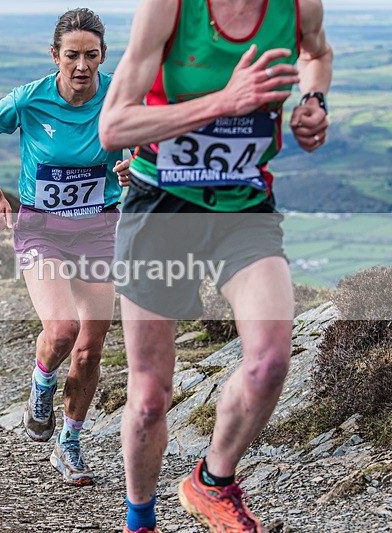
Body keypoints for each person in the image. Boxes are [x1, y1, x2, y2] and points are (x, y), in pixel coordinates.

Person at [98, 0, 332, 531]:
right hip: (161, 208)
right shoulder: (168, 8)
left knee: (270, 360)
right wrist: (224, 102)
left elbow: (318, 54)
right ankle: (140, 520)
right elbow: (114, 128)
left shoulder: (298, 7)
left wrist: (314, 102)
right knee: (150, 397)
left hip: (243, 208)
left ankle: (213, 481)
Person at [0, 8, 131, 486]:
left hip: (99, 227)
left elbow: (147, 141)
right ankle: (41, 385)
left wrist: (133, 165)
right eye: (73, 55)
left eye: (92, 55)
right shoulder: (30, 99)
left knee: (91, 347)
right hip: (42, 229)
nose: (83, 66)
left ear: (103, 55)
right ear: (55, 55)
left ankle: (70, 444)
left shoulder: (119, 93)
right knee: (62, 331)